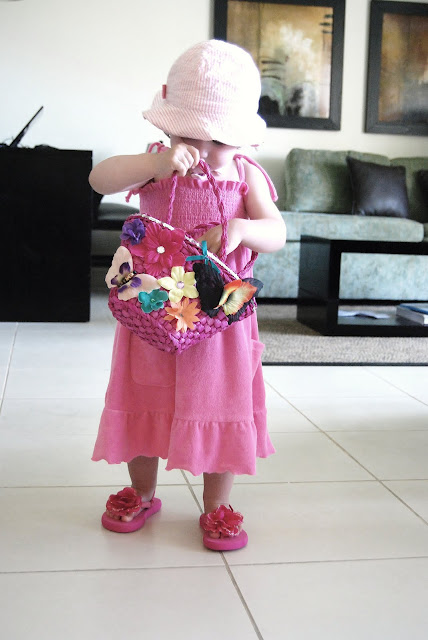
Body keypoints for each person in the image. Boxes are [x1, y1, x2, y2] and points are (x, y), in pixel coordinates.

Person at [89, 39, 286, 551]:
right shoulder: (155, 162)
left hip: (220, 321)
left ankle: (217, 504)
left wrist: (243, 228)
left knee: (220, 400)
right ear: (168, 126)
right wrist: (153, 165)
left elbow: (278, 232)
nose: (201, 149)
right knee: (143, 394)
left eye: (218, 139)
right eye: (187, 134)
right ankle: (142, 491)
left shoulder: (244, 174)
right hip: (154, 310)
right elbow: (98, 178)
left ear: (240, 136)